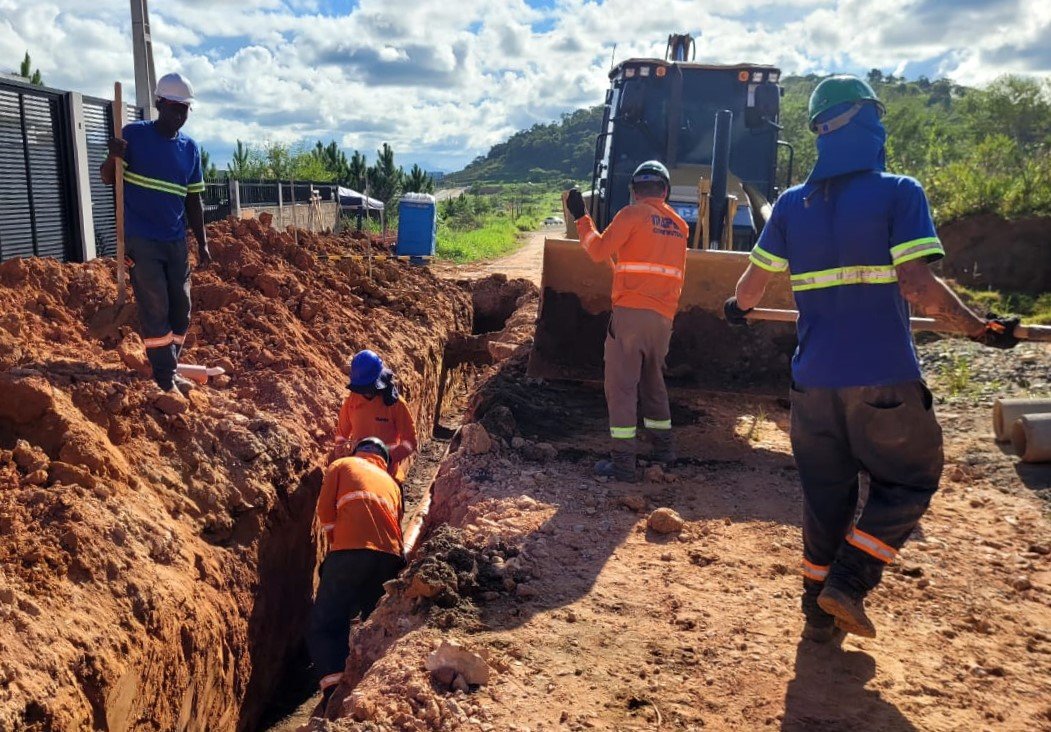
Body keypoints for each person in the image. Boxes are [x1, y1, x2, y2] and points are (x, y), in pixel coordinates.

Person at [724, 75, 1020, 643]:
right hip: (883, 379)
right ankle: (850, 581)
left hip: (812, 386)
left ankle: (817, 611)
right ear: (866, 120)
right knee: (912, 480)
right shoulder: (898, 192)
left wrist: (736, 310)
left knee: (826, 499)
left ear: (820, 132)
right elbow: (919, 286)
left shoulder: (790, 204)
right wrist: (981, 329)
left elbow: (750, 291)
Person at [565, 161, 688, 482]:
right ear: (665, 191)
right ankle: (663, 449)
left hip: (631, 315)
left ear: (633, 190)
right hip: (663, 319)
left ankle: (623, 463)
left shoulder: (631, 215)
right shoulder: (679, 226)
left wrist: (581, 218)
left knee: (621, 387)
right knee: (653, 382)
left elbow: (598, 251)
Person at [100, 72, 210, 398]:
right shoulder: (134, 135)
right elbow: (108, 178)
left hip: (175, 240)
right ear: (159, 104)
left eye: (184, 109)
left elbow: (194, 200)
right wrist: (114, 155)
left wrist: (203, 242)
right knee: (156, 306)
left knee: (181, 309)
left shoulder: (190, 149)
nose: (179, 114)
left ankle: (169, 367)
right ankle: (164, 377)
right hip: (141, 238)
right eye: (173, 107)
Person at [308, 437, 405, 708]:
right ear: (384, 460)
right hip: (390, 558)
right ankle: (371, 683)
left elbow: (325, 510)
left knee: (327, 623)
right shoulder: (392, 484)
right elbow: (397, 522)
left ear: (357, 452)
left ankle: (334, 689)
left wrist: (337, 544)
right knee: (376, 621)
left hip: (349, 552)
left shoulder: (342, 464)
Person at [335, 350, 418, 482]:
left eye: (369, 388)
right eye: (363, 389)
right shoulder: (352, 401)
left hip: (387, 477)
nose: (366, 393)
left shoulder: (395, 405)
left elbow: (410, 442)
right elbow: (340, 437)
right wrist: (345, 449)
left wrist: (384, 455)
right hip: (358, 474)